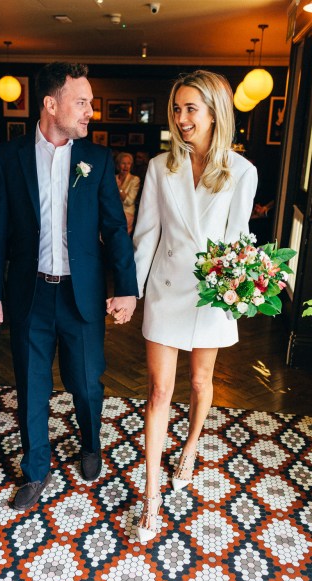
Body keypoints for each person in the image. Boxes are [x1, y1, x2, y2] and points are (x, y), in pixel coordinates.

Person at [0, 62, 138, 512]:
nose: (91, 112)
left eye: (91, 103)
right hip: (29, 293)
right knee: (31, 386)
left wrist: (126, 286)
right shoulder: (8, 157)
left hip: (81, 294)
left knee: (86, 384)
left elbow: (115, 228)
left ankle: (90, 445)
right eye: (82, 102)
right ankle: (36, 468)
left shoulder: (98, 159)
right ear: (51, 104)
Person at [133, 70, 258, 543]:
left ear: (213, 113)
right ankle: (150, 499)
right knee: (158, 394)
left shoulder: (242, 171)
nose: (182, 119)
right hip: (166, 290)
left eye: (191, 109)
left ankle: (189, 447)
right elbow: (145, 236)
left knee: (201, 381)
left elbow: (238, 239)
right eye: (177, 109)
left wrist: (242, 286)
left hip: (211, 296)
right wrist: (133, 290)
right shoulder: (159, 167)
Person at [115, 152, 140, 236]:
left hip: (127, 213)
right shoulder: (113, 178)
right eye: (123, 163)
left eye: (129, 163)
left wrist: (120, 188)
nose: (126, 166)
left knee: (120, 237)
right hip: (113, 212)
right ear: (118, 165)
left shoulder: (135, 179)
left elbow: (129, 201)